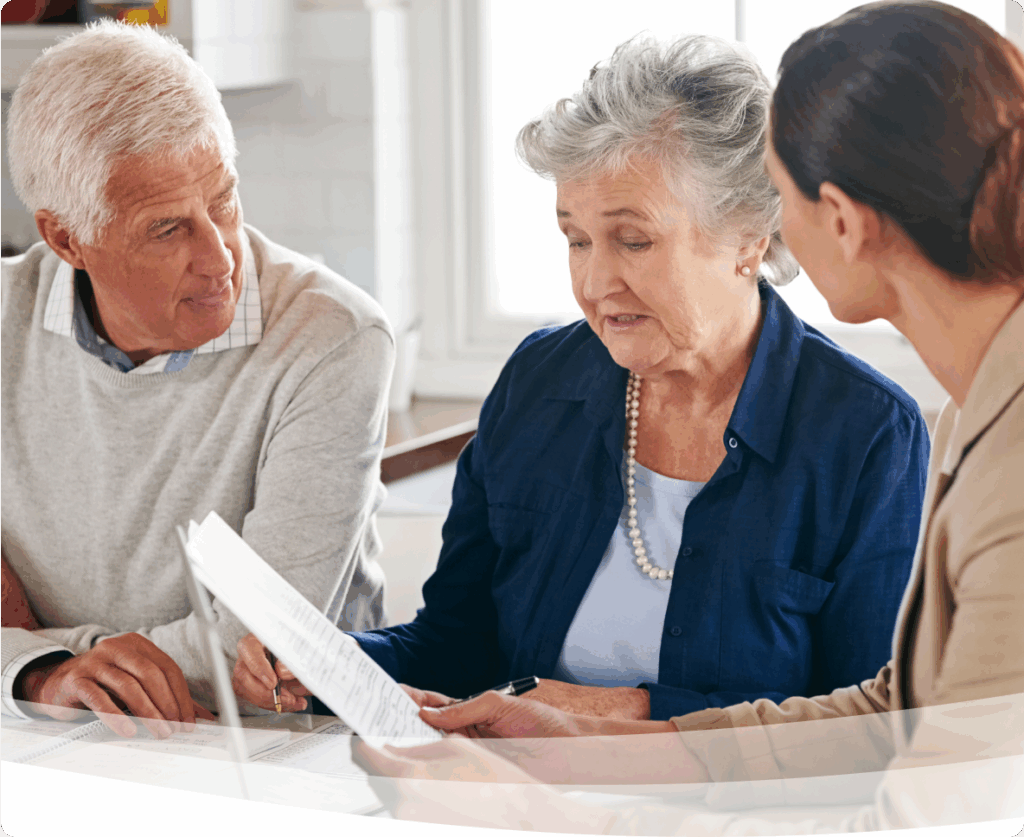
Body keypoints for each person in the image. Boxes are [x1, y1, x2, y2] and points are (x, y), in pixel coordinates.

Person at [352, 2, 1024, 832]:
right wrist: (582, 748)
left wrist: (553, 809)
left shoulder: (955, 450)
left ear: (834, 221)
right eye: (575, 240)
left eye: (779, 191)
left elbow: (930, 815)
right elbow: (888, 711)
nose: (597, 281)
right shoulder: (978, 411)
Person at [235, 33, 929, 722]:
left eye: (634, 241)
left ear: (749, 235)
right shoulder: (539, 381)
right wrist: (328, 660)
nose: (596, 283)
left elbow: (865, 725)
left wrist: (621, 715)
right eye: (575, 239)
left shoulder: (866, 435)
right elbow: (455, 642)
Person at [0, 21, 393, 737]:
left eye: (223, 202)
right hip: (39, 739)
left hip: (267, 756)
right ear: (64, 239)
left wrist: (46, 656)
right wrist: (45, 671)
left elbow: (260, 639)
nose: (220, 259)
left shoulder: (332, 339)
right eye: (167, 229)